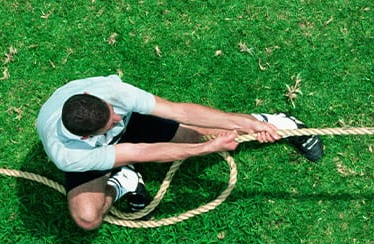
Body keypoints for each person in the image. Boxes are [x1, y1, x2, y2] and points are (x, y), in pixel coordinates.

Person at [36, 75, 323, 230]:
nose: (118, 119)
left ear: (89, 97)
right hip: (99, 154)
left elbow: (179, 110)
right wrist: (205, 150)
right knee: (87, 217)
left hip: (113, 142)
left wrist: (245, 124)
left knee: (196, 131)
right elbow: (140, 151)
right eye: (112, 122)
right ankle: (125, 182)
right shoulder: (69, 154)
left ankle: (276, 121)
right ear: (89, 135)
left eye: (113, 113)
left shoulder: (111, 93)